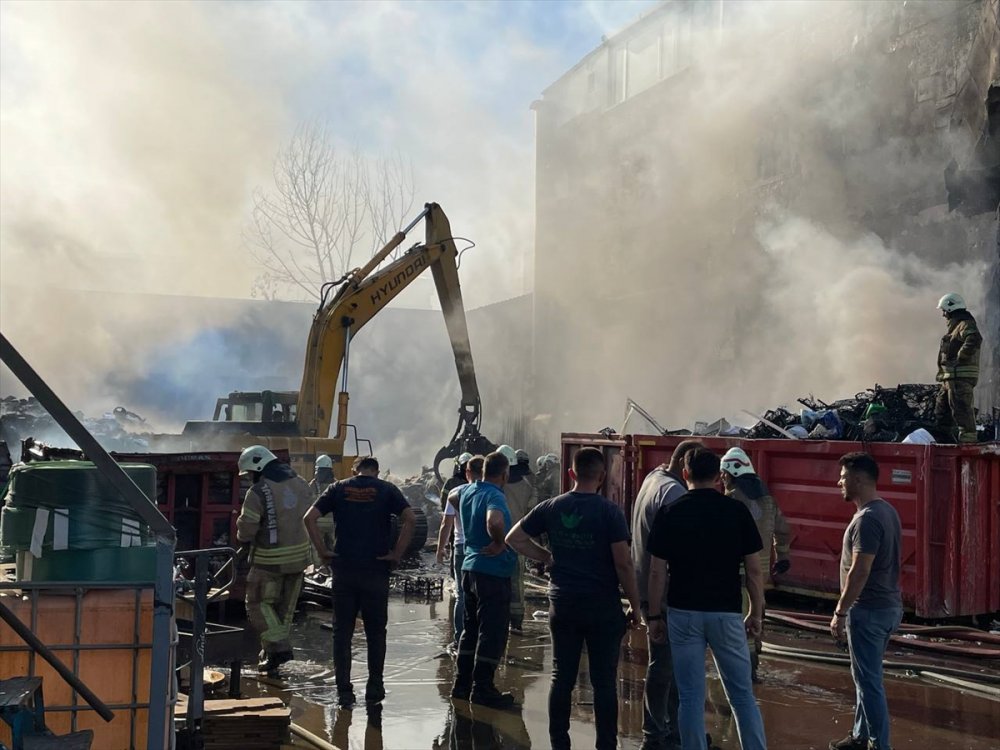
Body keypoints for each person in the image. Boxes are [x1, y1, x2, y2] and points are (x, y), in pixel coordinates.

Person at [506, 446, 640, 750]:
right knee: (604, 681)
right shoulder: (609, 512)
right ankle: (606, 745)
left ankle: (559, 744)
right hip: (602, 605)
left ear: (571, 473)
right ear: (602, 477)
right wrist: (634, 604)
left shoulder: (552, 507)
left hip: (563, 604)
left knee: (561, 677)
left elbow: (514, 538)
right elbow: (623, 563)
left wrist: (548, 557)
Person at [646, 448, 766, 750]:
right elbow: (753, 570)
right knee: (741, 695)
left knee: (689, 696)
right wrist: (756, 612)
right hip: (726, 614)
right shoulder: (737, 512)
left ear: (685, 474)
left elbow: (657, 572)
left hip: (683, 613)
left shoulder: (670, 512)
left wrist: (654, 617)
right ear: (718, 477)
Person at [304, 456, 416, 707]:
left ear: (355, 470)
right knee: (376, 632)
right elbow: (411, 518)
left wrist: (323, 551)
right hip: (376, 570)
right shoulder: (387, 489)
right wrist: (396, 554)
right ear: (376, 471)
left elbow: (308, 518)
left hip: (344, 570)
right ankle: (375, 688)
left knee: (341, 633)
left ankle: (344, 691)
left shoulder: (338, 488)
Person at [829, 452, 903, 750]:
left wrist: (840, 611)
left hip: (869, 611)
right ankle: (860, 736)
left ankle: (878, 744)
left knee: (869, 683)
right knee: (866, 676)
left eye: (844, 478)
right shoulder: (887, 511)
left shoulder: (867, 520)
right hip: (887, 607)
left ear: (859, 480)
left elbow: (860, 570)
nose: (839, 483)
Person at [631, 439, 702, 750]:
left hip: (648, 586)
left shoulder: (652, 479)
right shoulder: (674, 493)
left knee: (668, 665)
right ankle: (657, 733)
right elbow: (680, 551)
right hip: (665, 592)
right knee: (666, 666)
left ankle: (671, 730)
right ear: (685, 467)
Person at [235, 445, 315, 676]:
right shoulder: (301, 483)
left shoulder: (258, 492)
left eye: (250, 473)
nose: (250, 478)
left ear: (258, 467)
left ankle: (279, 650)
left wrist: (241, 536)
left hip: (269, 562)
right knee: (283, 610)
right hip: (300, 560)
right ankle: (271, 655)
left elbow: (247, 529)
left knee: (258, 604)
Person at [451, 451, 518, 709]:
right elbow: (495, 519)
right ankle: (483, 688)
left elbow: (452, 497)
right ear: (505, 474)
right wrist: (500, 542)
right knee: (492, 632)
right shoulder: (494, 495)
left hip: (469, 569)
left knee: (470, 630)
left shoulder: (468, 490)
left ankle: (461, 684)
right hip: (492, 572)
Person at [720, 447, 792, 682]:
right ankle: (753, 671)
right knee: (757, 620)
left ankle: (747, 676)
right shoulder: (767, 498)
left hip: (737, 578)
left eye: (723, 475)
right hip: (760, 578)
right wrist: (782, 556)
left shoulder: (730, 500)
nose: (722, 479)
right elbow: (782, 529)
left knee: (741, 628)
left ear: (730, 474)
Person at [436, 453, 483, 650]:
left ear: (467, 472)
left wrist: (440, 548)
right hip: (482, 548)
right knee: (482, 594)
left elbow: (446, 523)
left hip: (461, 547)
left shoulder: (456, 492)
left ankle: (460, 640)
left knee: (462, 595)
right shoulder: (490, 493)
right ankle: (481, 639)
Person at [934, 293, 983, 443]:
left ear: (951, 307)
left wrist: (960, 358)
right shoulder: (956, 327)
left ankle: (967, 445)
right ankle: (946, 440)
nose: (943, 314)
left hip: (959, 378)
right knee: (942, 412)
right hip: (950, 378)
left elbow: (974, 339)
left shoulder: (965, 324)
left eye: (944, 310)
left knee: (962, 412)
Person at [498, 444, 534, 632]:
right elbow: (532, 512)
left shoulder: (494, 485)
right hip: (518, 540)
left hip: (495, 539)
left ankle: (498, 619)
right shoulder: (527, 486)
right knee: (516, 582)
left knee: (495, 580)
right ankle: (517, 622)